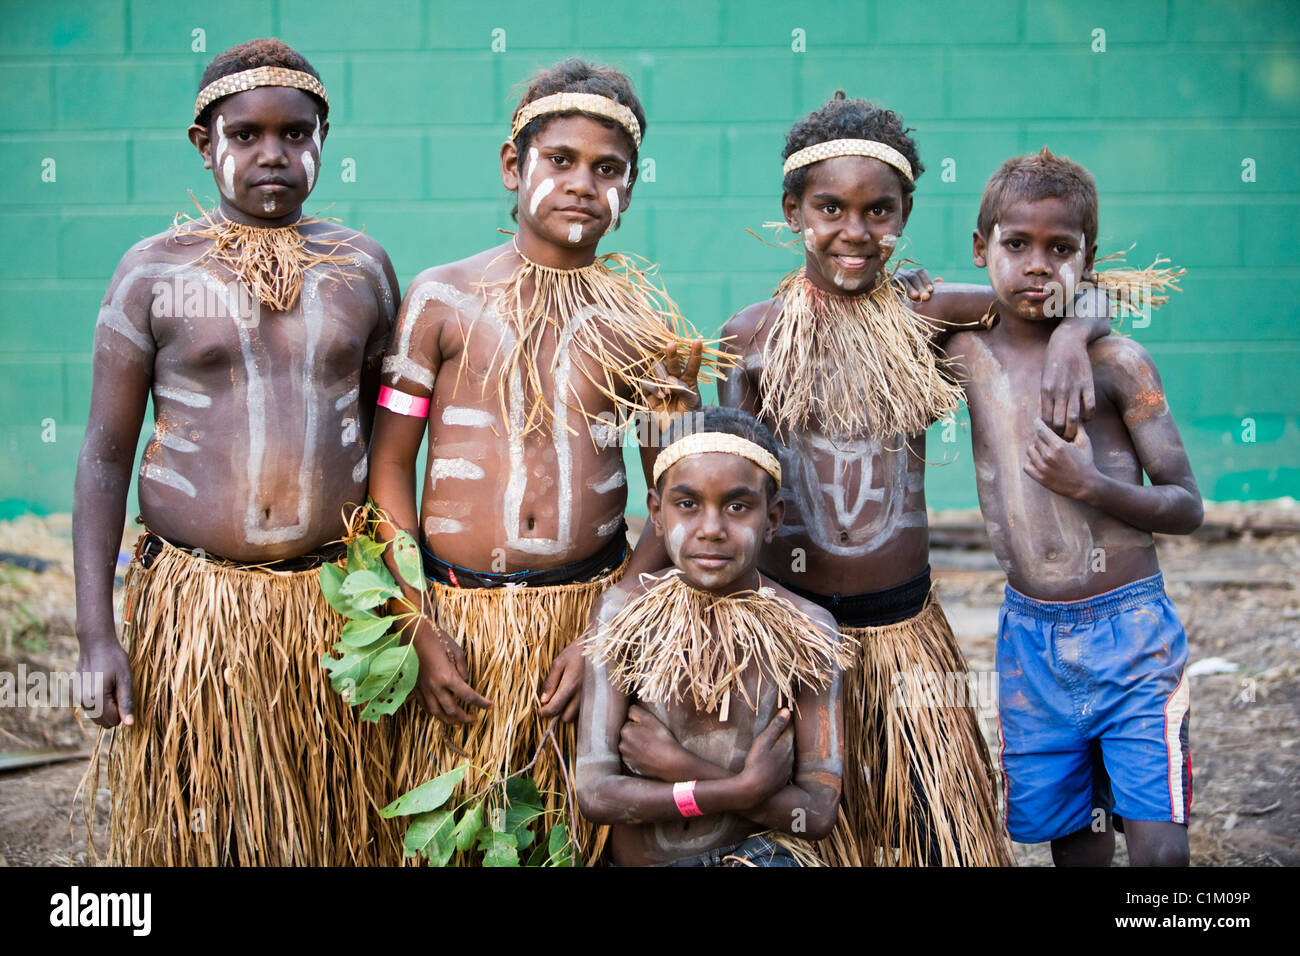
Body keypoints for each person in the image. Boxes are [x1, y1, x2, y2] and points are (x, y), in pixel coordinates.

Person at [719, 93, 1113, 866]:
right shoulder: (752, 335)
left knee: (933, 839)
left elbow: (1088, 287)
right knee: (796, 831)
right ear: (792, 209)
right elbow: (730, 488)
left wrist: (1071, 334)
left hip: (905, 633)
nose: (856, 232)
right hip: (790, 639)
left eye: (879, 211)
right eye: (831, 207)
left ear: (905, 215)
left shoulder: (928, 316)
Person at [366, 59, 721, 864]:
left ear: (630, 189)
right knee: (458, 836)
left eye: (608, 170)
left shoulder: (645, 325)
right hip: (456, 620)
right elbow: (388, 470)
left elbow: (678, 501)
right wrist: (415, 619)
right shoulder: (441, 300)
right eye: (560, 160)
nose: (583, 184)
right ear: (511, 166)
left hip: (583, 618)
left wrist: (607, 633)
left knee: (577, 834)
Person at [73, 38, 401, 865]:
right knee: (200, 828)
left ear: (323, 138)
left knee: (332, 823)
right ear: (203, 142)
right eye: (246, 134)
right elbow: (106, 456)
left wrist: (393, 591)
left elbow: (377, 441)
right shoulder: (151, 273)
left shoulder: (361, 268)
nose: (272, 155)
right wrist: (94, 635)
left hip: (328, 607)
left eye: (295, 134)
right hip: (198, 611)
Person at [945, 147, 1200, 866]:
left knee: (1160, 849)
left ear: (1088, 260)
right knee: (1074, 842)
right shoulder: (967, 350)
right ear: (980, 248)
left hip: (1131, 631)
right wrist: (1071, 323)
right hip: (1032, 636)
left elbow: (1187, 506)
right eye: (1016, 244)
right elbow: (903, 300)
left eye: (1061, 250)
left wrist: (1093, 485)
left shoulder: (1119, 364)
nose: (1037, 265)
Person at [576, 406, 851, 866]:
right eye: (687, 504)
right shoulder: (623, 615)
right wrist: (741, 788)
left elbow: (818, 813)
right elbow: (595, 793)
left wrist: (683, 770)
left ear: (774, 517)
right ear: (656, 514)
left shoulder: (809, 631)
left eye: (738, 507)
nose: (711, 529)